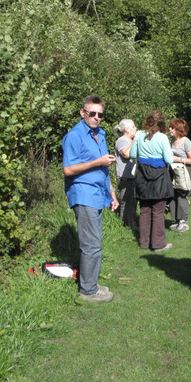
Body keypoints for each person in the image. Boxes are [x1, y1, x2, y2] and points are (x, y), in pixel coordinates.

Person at [62, 95, 119, 303]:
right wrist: (97, 161)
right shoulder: (74, 136)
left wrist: (111, 193)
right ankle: (87, 291)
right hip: (83, 193)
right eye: (92, 113)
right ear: (82, 112)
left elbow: (104, 167)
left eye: (100, 114)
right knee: (91, 245)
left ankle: (91, 284)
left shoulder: (99, 135)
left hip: (98, 194)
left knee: (95, 243)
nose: (96, 117)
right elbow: (68, 169)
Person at [130, 110, 174, 252]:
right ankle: (158, 244)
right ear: (162, 123)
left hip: (142, 176)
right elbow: (169, 160)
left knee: (144, 211)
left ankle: (144, 243)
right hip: (159, 177)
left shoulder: (139, 136)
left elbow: (132, 155)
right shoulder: (162, 138)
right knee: (158, 211)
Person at [168, 118, 191, 233]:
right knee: (173, 194)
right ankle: (176, 220)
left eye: (172, 127)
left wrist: (178, 159)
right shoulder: (171, 141)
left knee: (181, 195)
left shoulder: (186, 141)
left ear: (179, 129)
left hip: (183, 171)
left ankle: (183, 221)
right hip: (173, 171)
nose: (170, 129)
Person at [114, 118, 138, 230]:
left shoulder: (131, 141)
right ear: (127, 129)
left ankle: (131, 222)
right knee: (127, 201)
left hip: (132, 176)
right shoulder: (122, 141)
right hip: (125, 177)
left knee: (133, 201)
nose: (136, 129)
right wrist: (136, 141)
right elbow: (126, 154)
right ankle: (125, 224)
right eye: (133, 127)